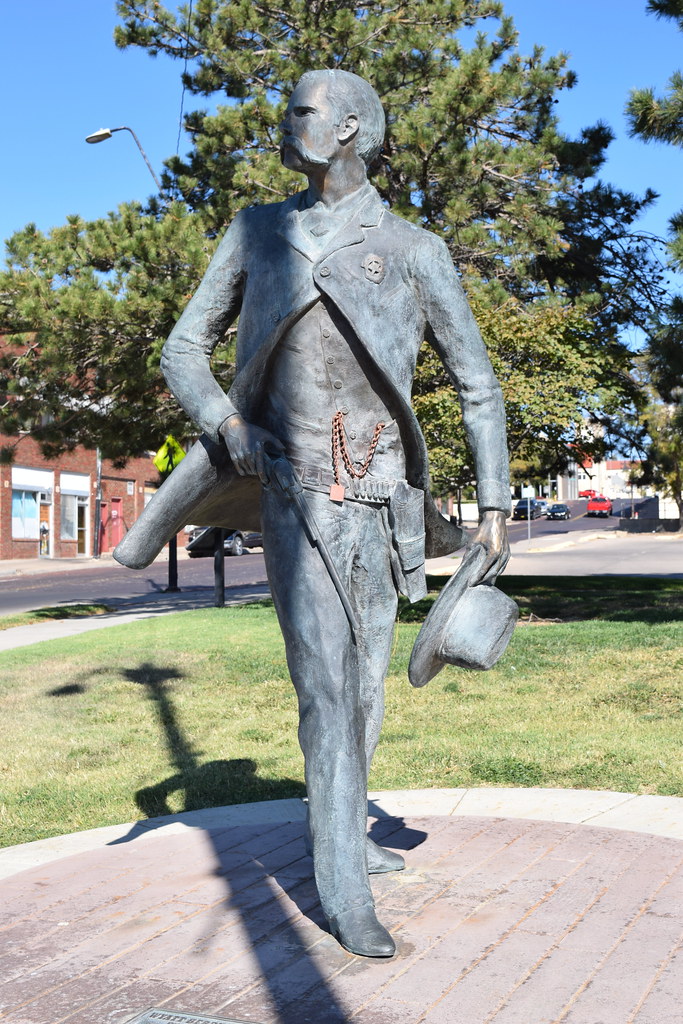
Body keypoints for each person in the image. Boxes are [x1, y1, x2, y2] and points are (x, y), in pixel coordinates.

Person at [116, 69, 511, 958]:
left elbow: (477, 388)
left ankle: (347, 837)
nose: (284, 120)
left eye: (302, 109)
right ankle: (340, 890)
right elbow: (185, 348)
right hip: (295, 490)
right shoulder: (258, 233)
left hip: (383, 501)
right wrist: (225, 421)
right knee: (326, 692)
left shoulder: (413, 249)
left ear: (351, 131)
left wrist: (491, 504)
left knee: (366, 684)